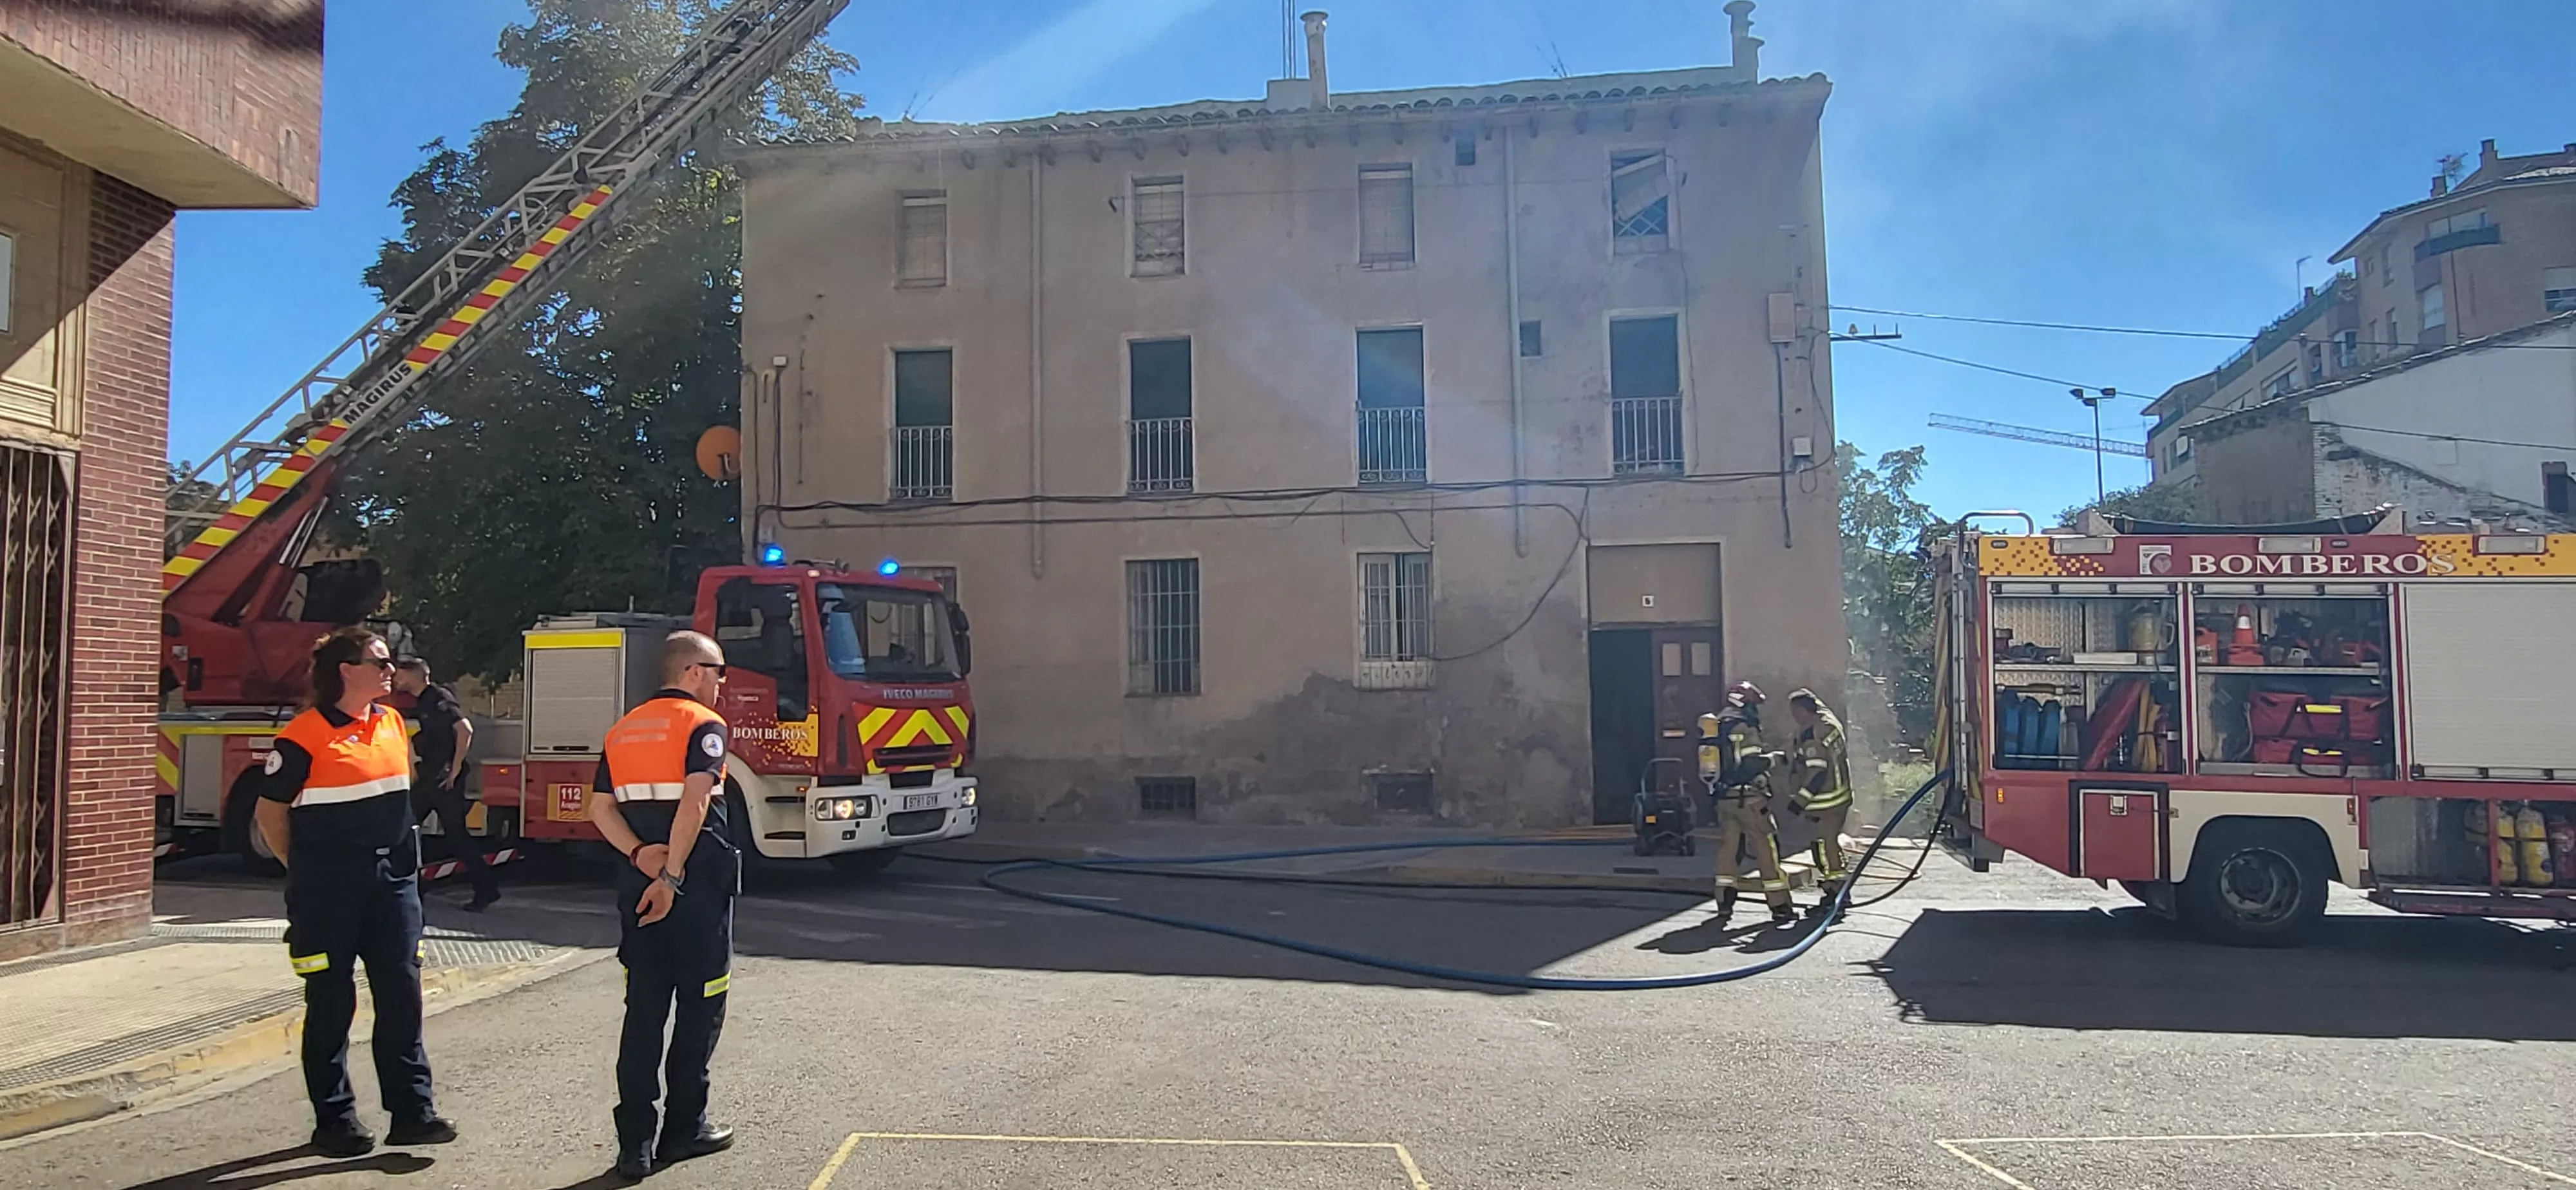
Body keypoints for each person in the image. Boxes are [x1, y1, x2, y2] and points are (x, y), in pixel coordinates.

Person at [253, 627, 458, 1157]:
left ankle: (413, 1113)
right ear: (347, 670)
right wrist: (303, 870)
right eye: (381, 662)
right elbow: (270, 814)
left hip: (392, 886)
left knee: (401, 997)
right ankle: (335, 1120)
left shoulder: (391, 722)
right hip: (329, 890)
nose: (392, 671)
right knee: (330, 1002)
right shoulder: (303, 736)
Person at [586, 631, 740, 1181]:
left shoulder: (623, 729)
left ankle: (634, 1145)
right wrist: (672, 875)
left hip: (639, 891)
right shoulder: (704, 726)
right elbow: (696, 801)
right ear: (694, 671)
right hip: (692, 892)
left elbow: (599, 808)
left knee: (644, 1014)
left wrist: (641, 857)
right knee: (701, 1007)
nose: (724, 683)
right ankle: (684, 1130)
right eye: (720, 671)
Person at [393, 659, 496, 911]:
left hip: (443, 780)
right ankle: (413, 888)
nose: (396, 679)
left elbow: (465, 729)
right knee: (405, 828)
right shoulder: (423, 701)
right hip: (431, 777)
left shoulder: (437, 697)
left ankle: (486, 890)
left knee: (455, 836)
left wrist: (456, 767)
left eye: (400, 675)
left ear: (414, 675)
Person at [1699, 680, 1796, 928]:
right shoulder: (1745, 728)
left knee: (1729, 851)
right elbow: (1751, 764)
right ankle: (1780, 906)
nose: (1756, 711)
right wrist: (1777, 758)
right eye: (1754, 705)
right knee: (1766, 848)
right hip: (1750, 799)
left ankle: (1724, 902)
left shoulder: (1717, 727)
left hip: (1724, 799)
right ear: (1743, 703)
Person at [1786, 688, 1855, 920]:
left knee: (1824, 847)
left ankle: (1835, 893)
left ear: (1807, 710)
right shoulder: (1829, 722)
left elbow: (1816, 772)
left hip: (1825, 800)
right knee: (1829, 844)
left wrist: (1799, 802)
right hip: (1839, 795)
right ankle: (1838, 891)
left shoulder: (1813, 735)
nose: (1794, 716)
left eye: (1796, 712)